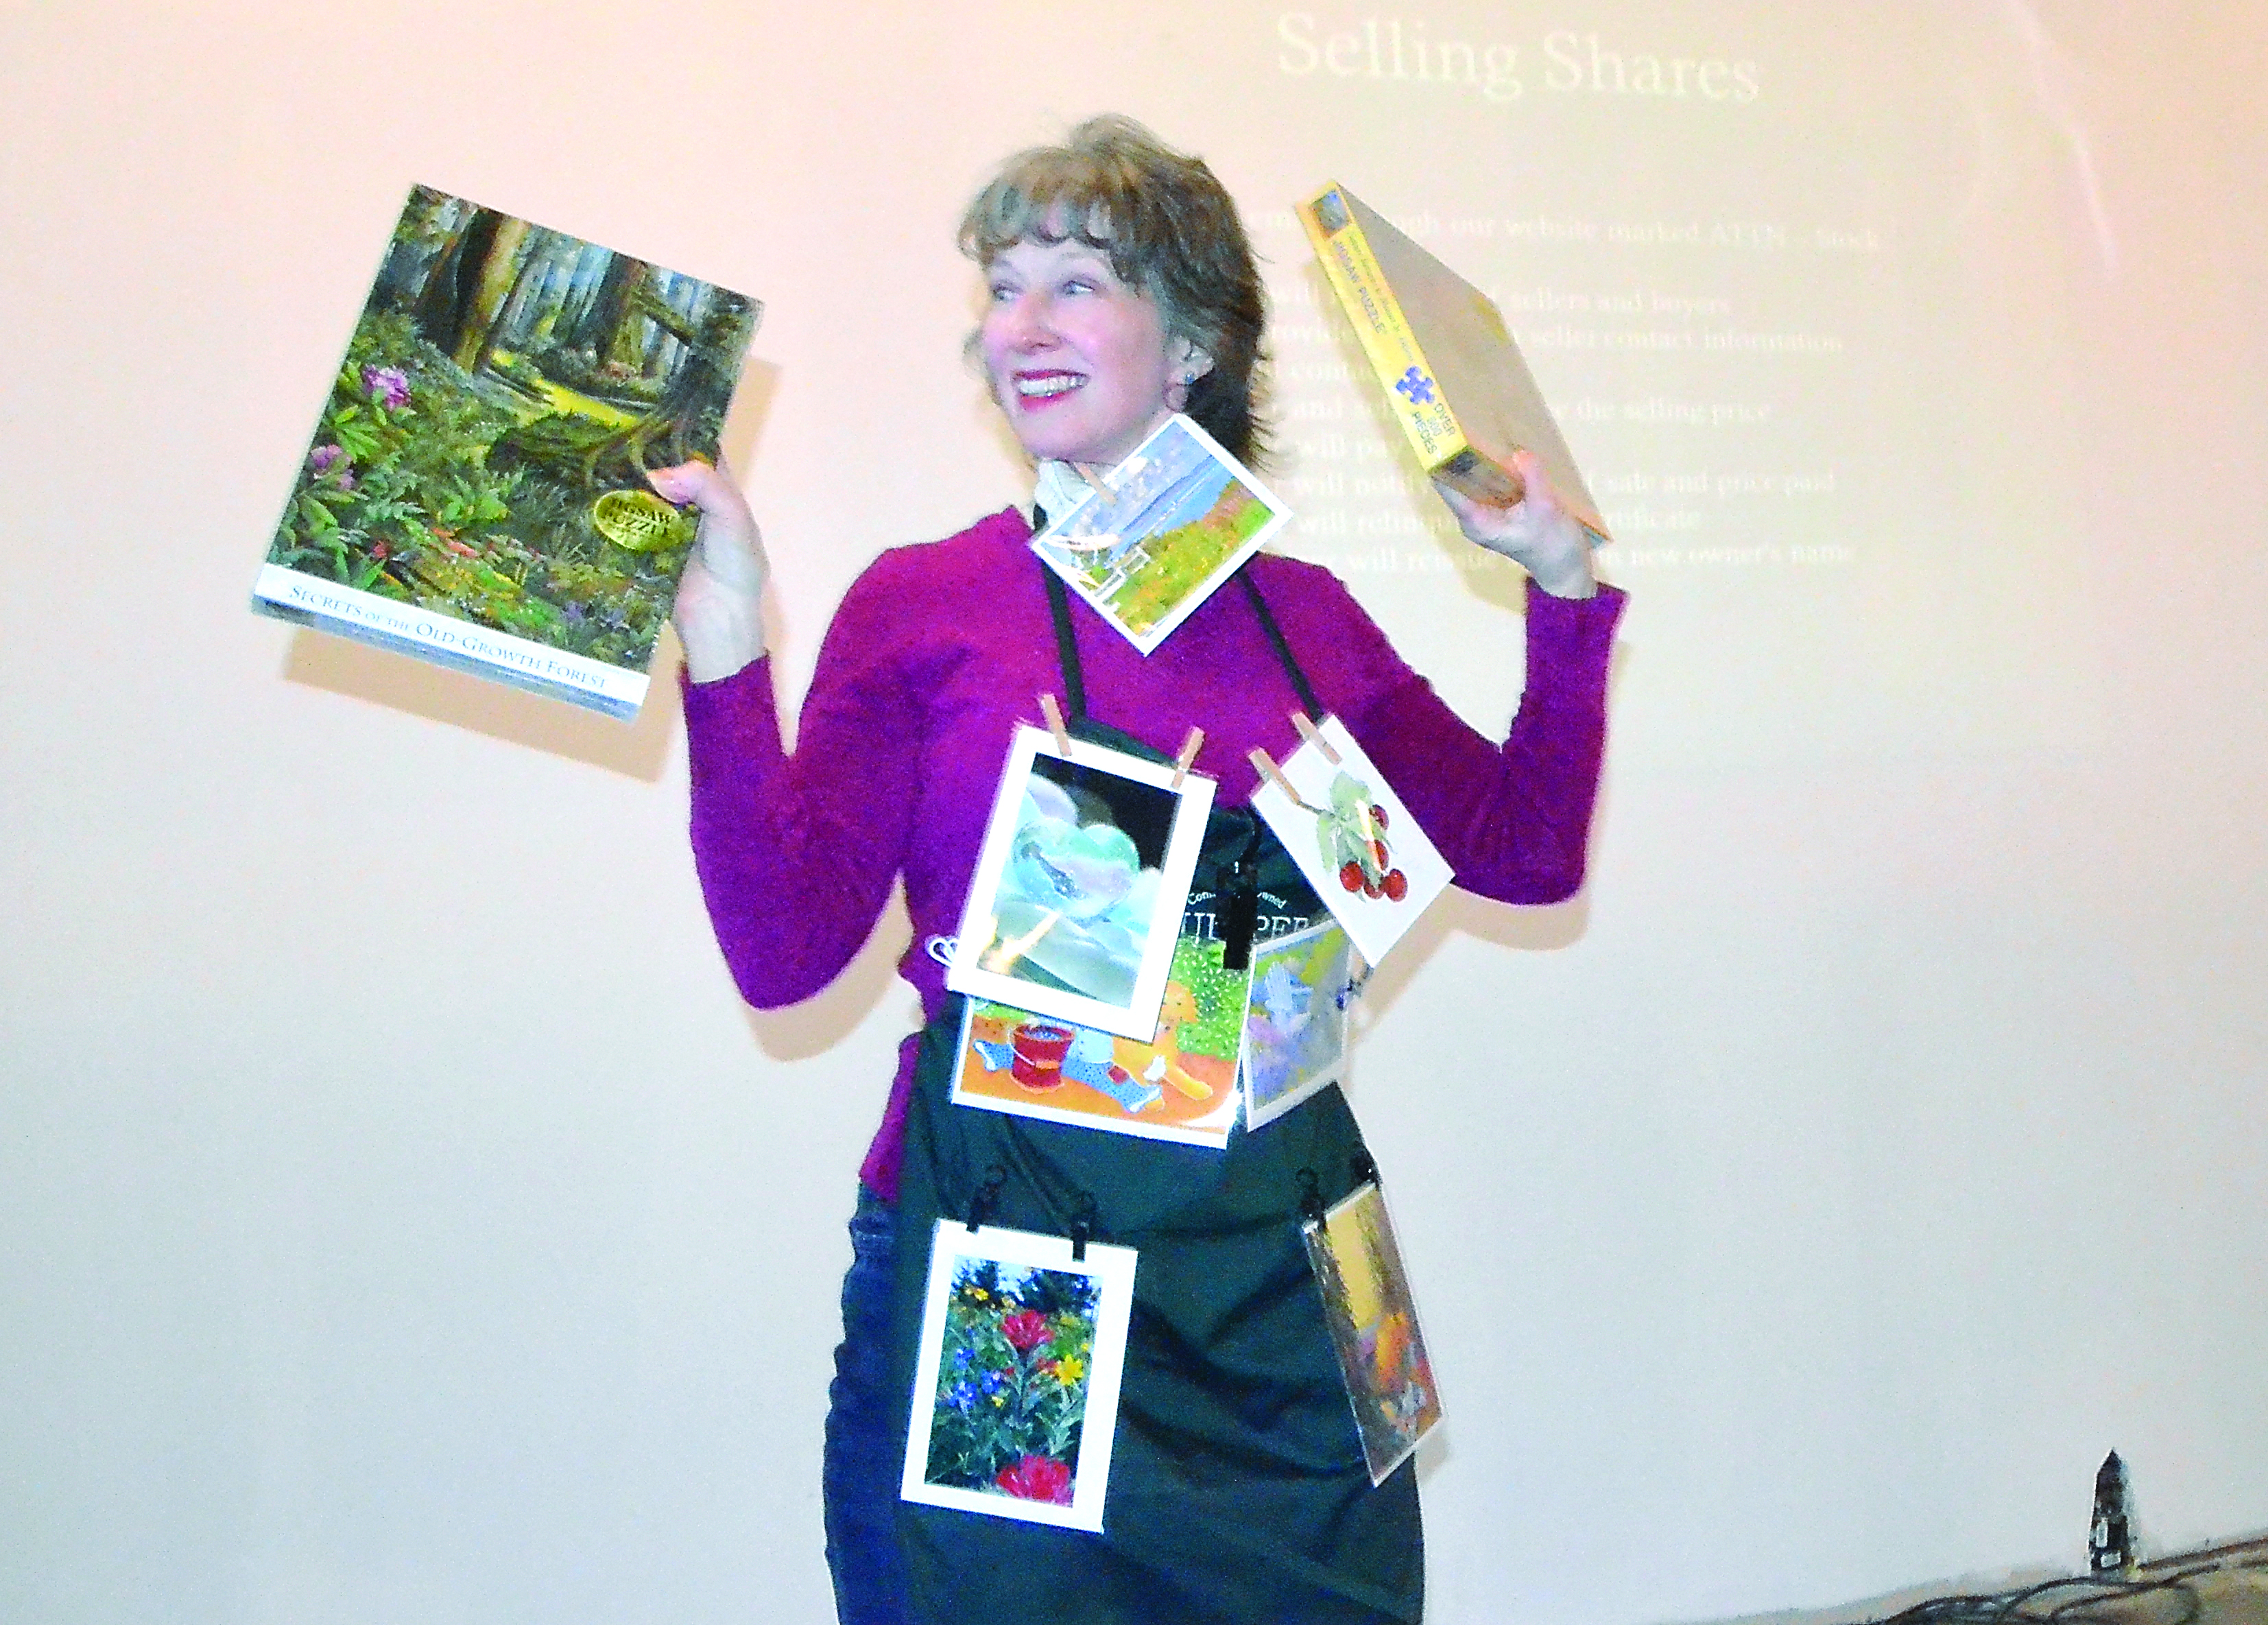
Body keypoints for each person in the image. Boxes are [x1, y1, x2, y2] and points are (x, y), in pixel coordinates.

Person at [649, 116, 1623, 1625]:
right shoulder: (927, 606)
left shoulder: (1305, 620)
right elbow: (785, 951)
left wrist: (1561, 595)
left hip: (1277, 1313)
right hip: (1010, 1278)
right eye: (1003, 286)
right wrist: (724, 650)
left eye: (1077, 281)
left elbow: (1528, 853)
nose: (1021, 325)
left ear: (1192, 345)